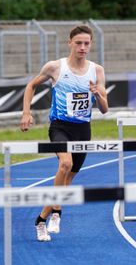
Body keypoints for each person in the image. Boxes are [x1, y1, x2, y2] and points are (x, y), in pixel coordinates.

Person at [20, 25, 108, 242]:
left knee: (66, 182)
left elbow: (105, 109)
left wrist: (98, 95)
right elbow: (31, 85)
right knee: (65, 164)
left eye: (86, 43)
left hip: (83, 129)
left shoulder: (97, 70)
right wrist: (26, 113)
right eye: (78, 43)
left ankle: (41, 220)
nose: (82, 47)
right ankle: (57, 212)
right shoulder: (55, 67)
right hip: (60, 127)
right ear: (70, 43)